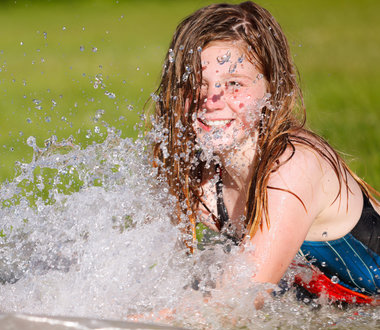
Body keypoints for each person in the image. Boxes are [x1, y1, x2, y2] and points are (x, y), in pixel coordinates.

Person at [150, 1, 380, 304]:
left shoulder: (295, 165)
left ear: (272, 87)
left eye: (234, 83)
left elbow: (234, 304)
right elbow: (156, 276)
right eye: (196, 83)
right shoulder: (191, 171)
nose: (211, 100)